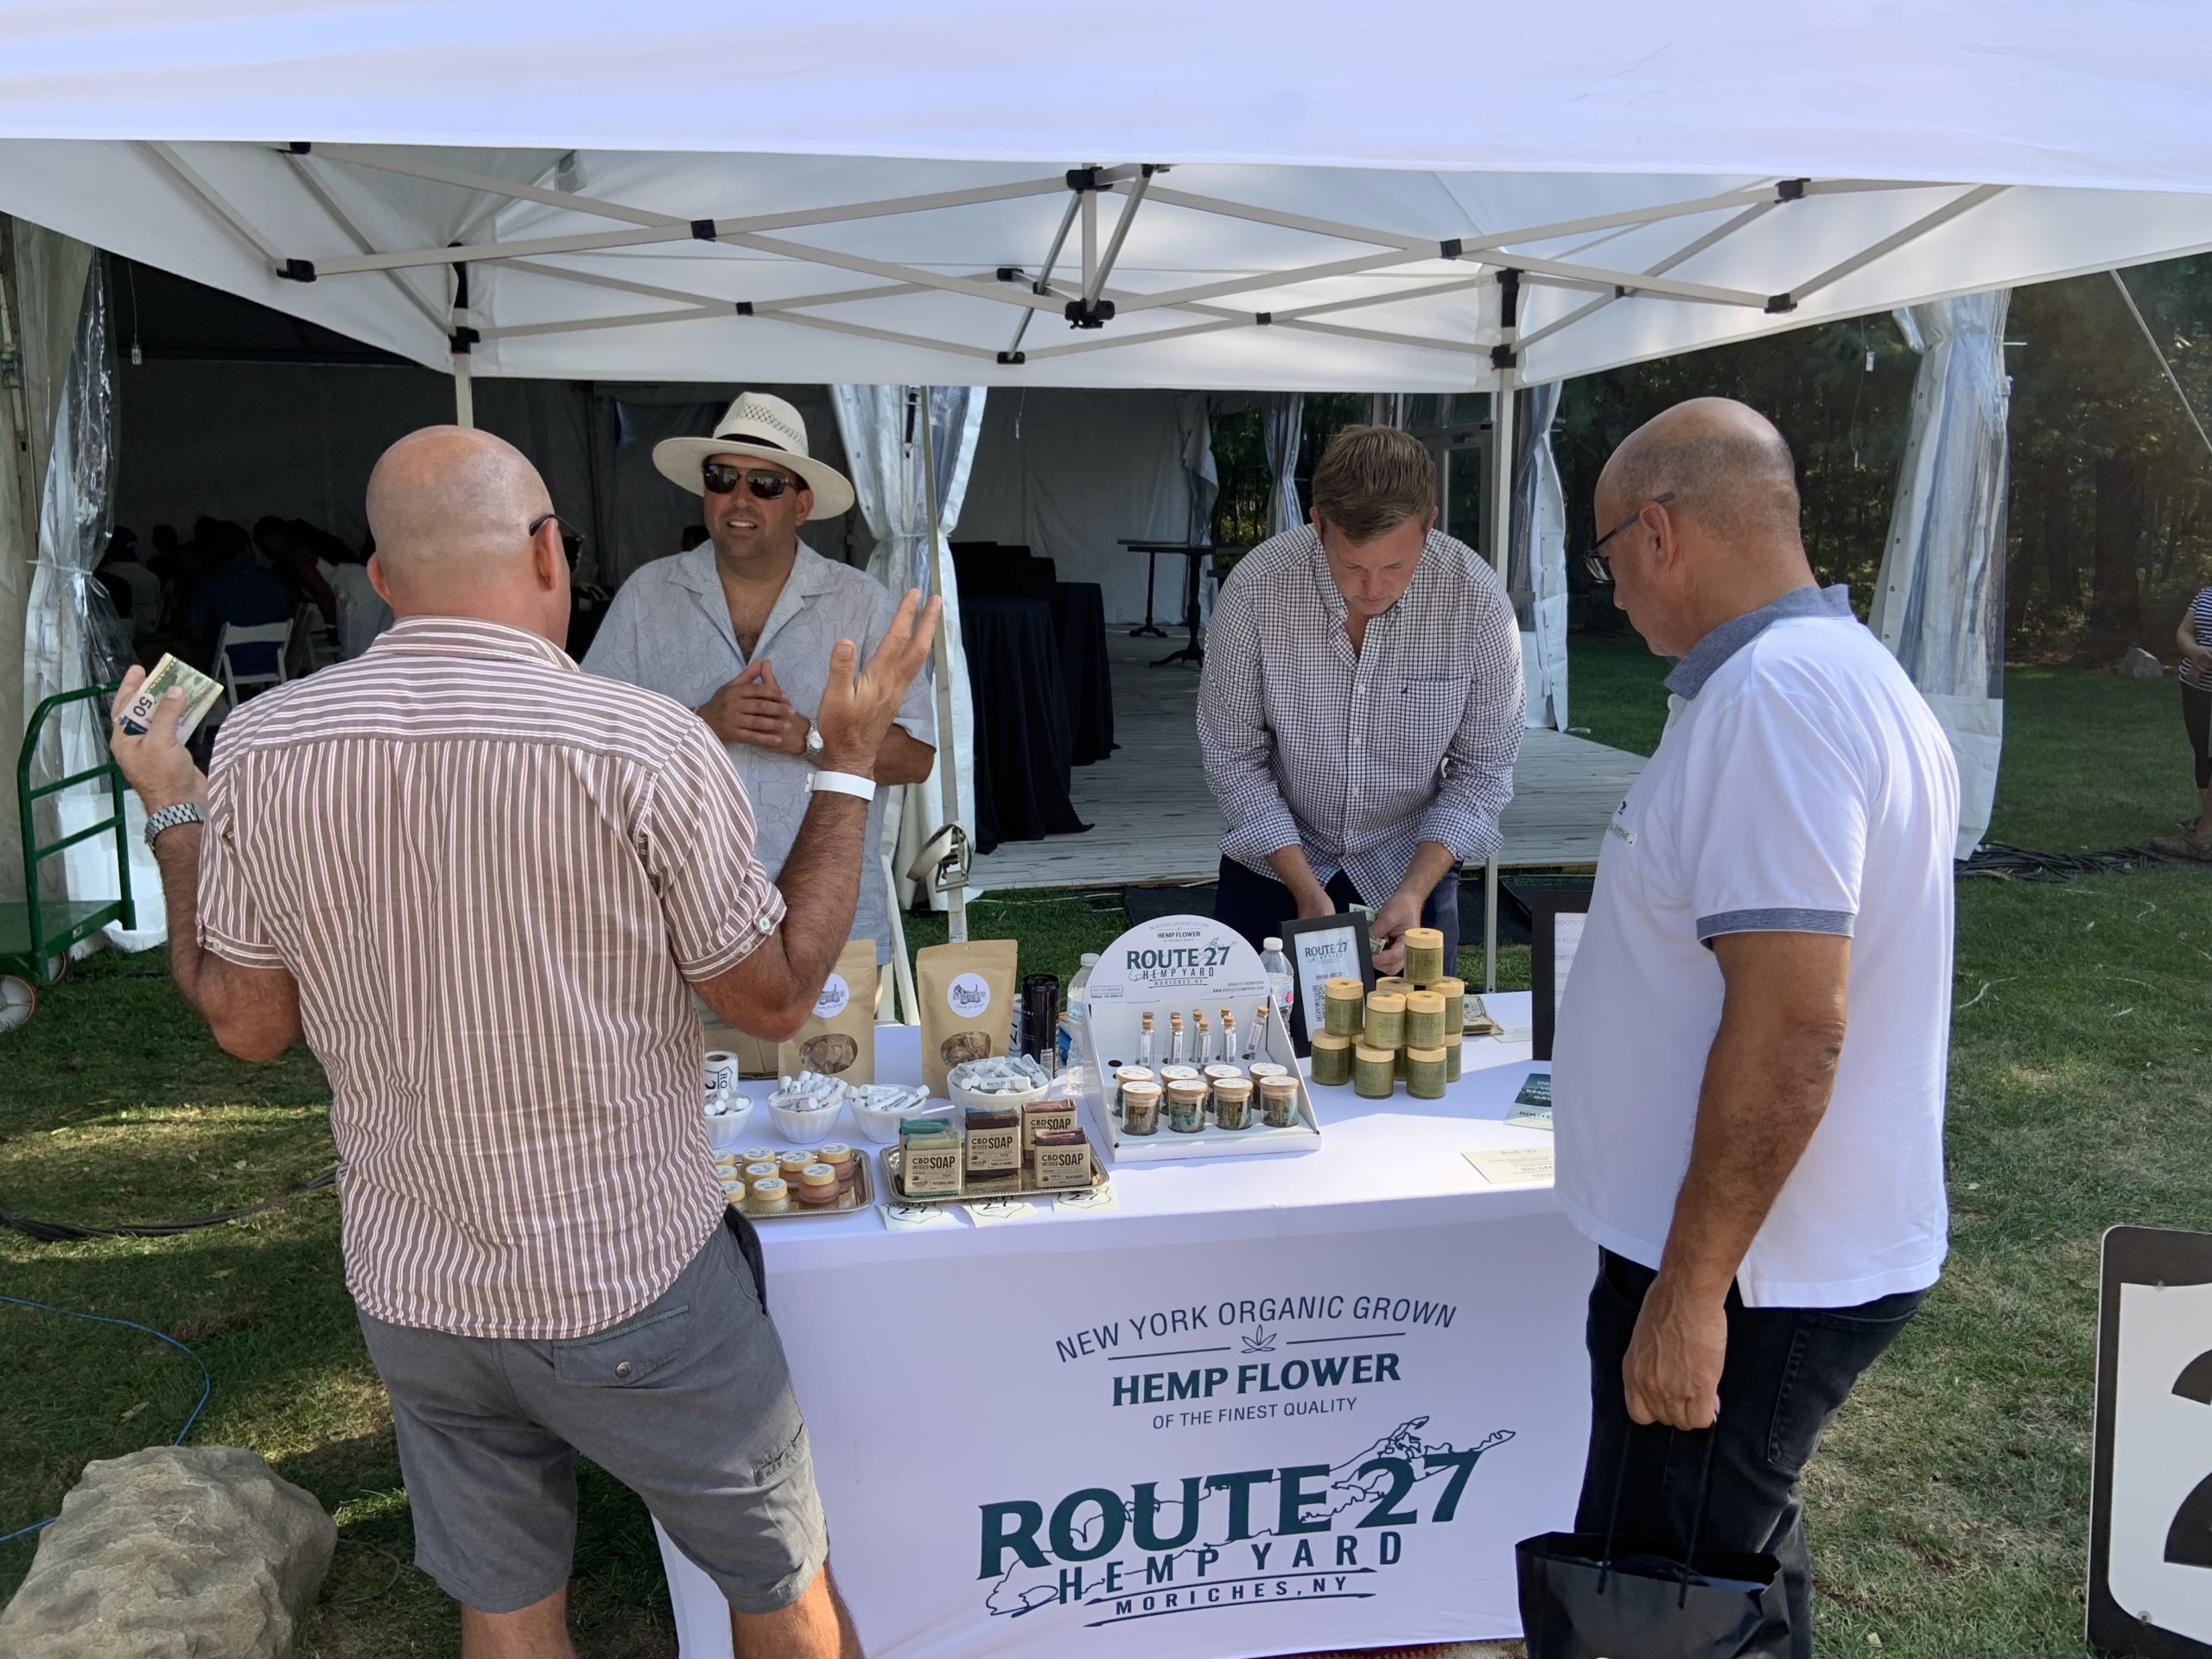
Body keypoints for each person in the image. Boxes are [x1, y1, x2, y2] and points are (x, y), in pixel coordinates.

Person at [107, 425, 939, 1659]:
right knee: (783, 1587)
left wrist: (174, 803)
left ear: (380, 579)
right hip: (629, 1275)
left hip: (419, 1279)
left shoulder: (269, 744)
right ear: (551, 552)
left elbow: (247, 1024)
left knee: (502, 1607)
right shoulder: (642, 744)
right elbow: (770, 1002)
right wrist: (848, 771)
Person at [1550, 399, 1960, 1657]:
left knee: (1658, 1605)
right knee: (1719, 1582)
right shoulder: (1822, 678)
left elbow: (1795, 1029)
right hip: (1754, 1257)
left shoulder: (1775, 704)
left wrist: (1692, 1288)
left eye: (1607, 560)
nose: (1611, 593)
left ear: (1660, 532)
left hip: (1749, 1270)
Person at [583, 392, 935, 968]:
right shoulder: (647, 596)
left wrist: (810, 737)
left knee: (834, 1061)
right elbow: (589, 748)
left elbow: (916, 758)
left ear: (800, 505)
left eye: (765, 484)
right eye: (722, 478)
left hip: (827, 924)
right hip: (677, 926)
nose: (739, 498)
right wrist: (699, 725)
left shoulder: (862, 605)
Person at [1196, 425, 1522, 973]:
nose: (1373, 588)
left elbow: (1484, 773)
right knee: (1252, 1052)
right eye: (1351, 565)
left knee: (1415, 1052)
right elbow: (1232, 758)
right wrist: (1303, 886)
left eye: (1395, 566)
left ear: (1430, 525)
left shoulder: (1477, 603)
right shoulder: (1256, 590)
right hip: (1275, 865)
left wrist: (1416, 891)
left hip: (1412, 864)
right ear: (1318, 523)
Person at [2149, 583, 2212, 861]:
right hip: (2196, 688)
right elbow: (2184, 631)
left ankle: (2203, 837)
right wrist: (2194, 652)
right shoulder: (2206, 593)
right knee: (2203, 752)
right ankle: (2205, 821)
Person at [187, 518, 292, 680]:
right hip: (274, 662)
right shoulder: (276, 579)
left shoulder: (208, 583)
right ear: (247, 548)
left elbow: (195, 632)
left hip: (224, 665)